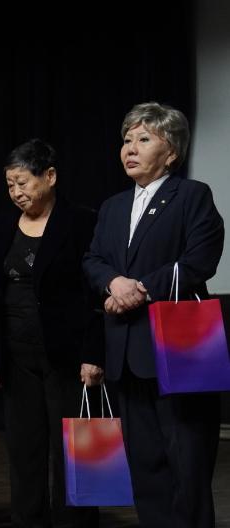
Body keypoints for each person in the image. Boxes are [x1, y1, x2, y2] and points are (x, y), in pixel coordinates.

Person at [83, 102, 224, 527]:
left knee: (188, 463)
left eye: (144, 139)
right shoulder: (112, 206)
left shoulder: (192, 195)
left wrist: (140, 289)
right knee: (144, 466)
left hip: (177, 349)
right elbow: (93, 259)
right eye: (127, 140)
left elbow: (200, 260)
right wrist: (113, 283)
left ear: (172, 152)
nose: (130, 148)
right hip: (125, 352)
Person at [0, 139, 102, 527]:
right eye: (10, 185)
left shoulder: (82, 222)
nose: (16, 192)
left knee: (74, 450)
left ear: (49, 176)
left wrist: (93, 353)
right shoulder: (1, 226)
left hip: (67, 356)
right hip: (16, 357)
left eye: (22, 182)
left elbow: (94, 294)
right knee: (24, 451)